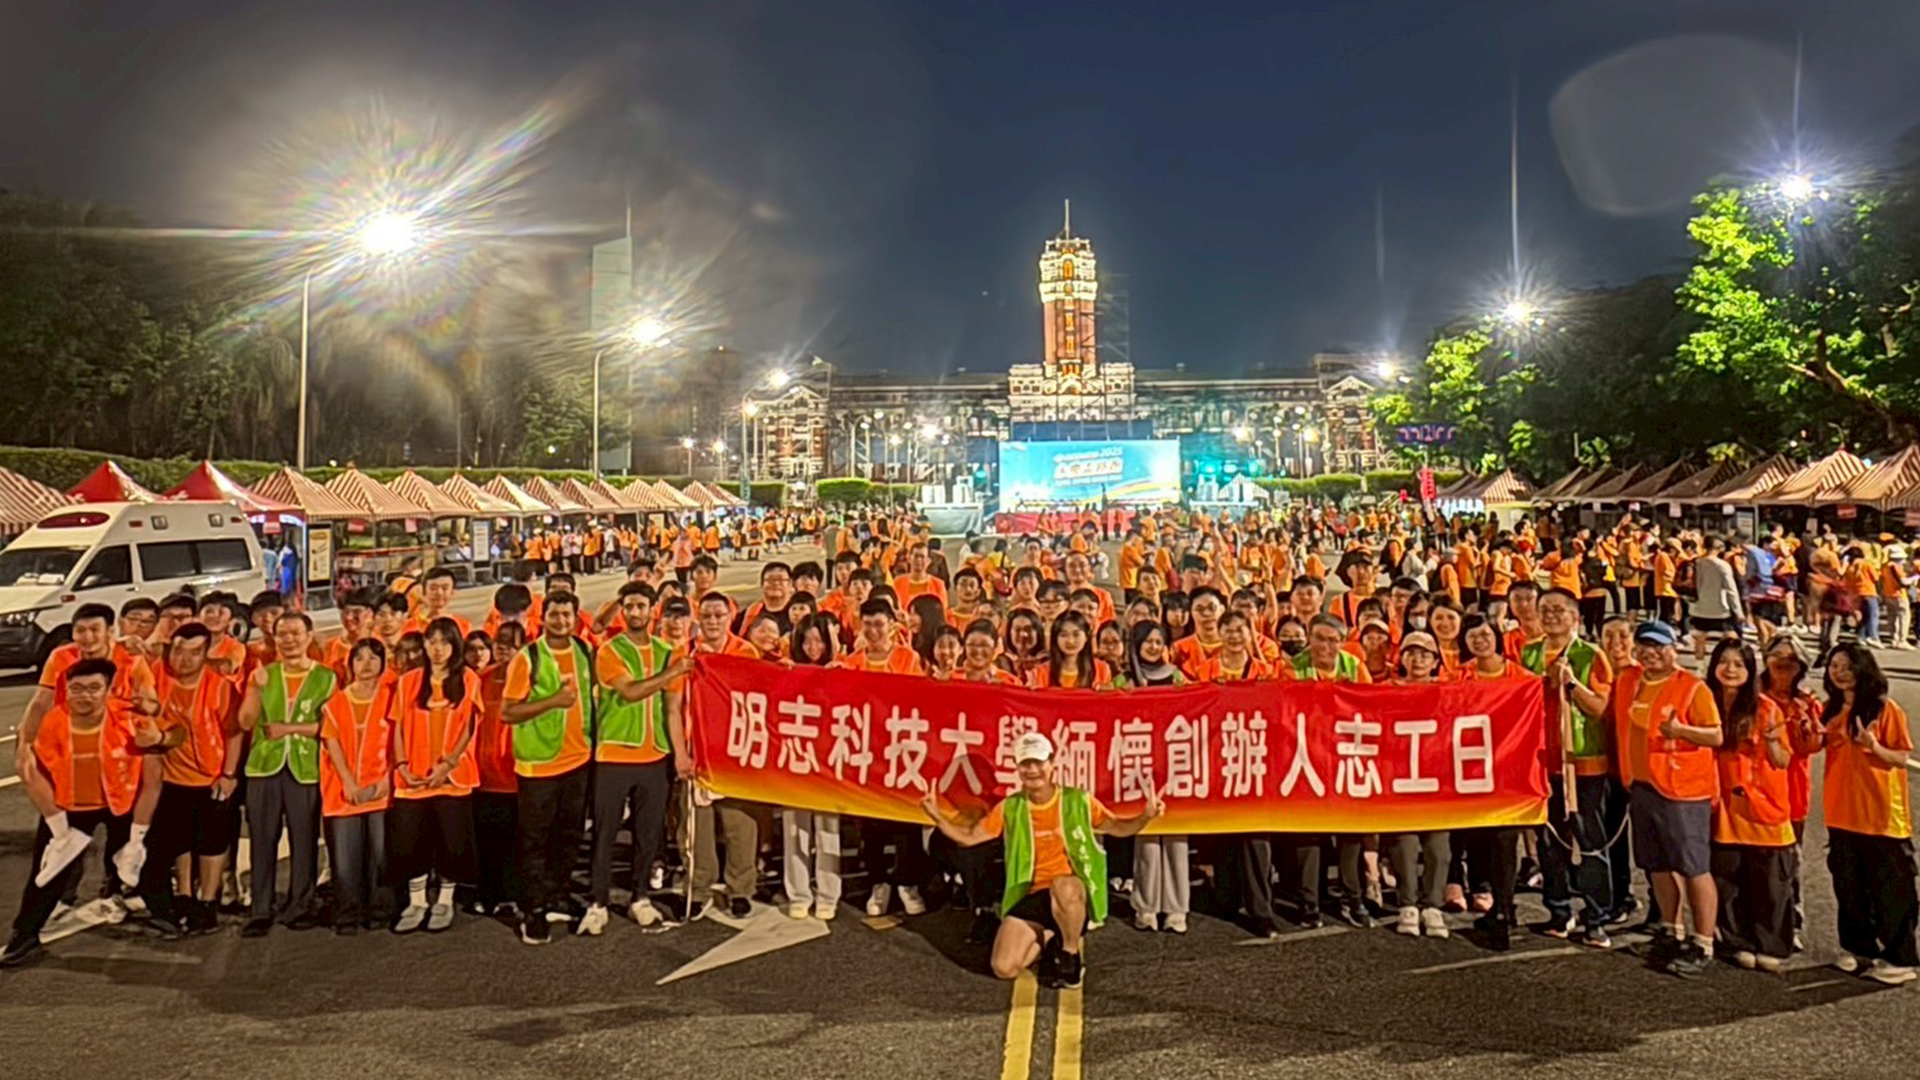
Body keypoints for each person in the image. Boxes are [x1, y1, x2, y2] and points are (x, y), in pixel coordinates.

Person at [922, 732, 1164, 988]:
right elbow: (970, 837)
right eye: (1026, 763)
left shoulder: (1077, 800)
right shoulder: (1010, 807)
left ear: (1052, 764)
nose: (1033, 769)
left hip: (1070, 894)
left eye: (1039, 762)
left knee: (1063, 885)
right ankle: (1051, 937)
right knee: (1004, 967)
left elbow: (1118, 828)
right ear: (1017, 768)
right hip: (1029, 892)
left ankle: (1070, 953)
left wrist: (1145, 817)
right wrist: (937, 816)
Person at [3, 659, 158, 967]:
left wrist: (159, 737)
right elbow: (35, 773)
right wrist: (58, 824)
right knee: (46, 873)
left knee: (142, 860)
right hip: (70, 807)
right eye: (76, 689)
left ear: (108, 690)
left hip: (119, 804)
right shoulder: (53, 722)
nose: (84, 696)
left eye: (93, 688)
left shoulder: (129, 717)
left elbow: (158, 765)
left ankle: (166, 914)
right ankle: (25, 937)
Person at [1610, 620, 1723, 978]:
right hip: (1643, 786)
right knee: (1656, 864)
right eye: (1644, 646)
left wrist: (1682, 731)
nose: (1650, 653)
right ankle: (1670, 930)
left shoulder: (1691, 688)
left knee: (1693, 867)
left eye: (1658, 646)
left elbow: (1716, 735)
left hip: (1683, 791)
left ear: (1673, 648)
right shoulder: (1631, 680)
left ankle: (1703, 941)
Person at [583, 583, 693, 935]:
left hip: (654, 755)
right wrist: (671, 674)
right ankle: (598, 901)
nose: (634, 612)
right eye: (628, 606)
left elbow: (672, 710)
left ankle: (640, 896)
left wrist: (680, 755)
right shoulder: (610, 650)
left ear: (652, 610)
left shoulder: (667, 651)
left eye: (641, 606)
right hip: (614, 753)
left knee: (648, 833)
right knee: (606, 832)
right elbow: (630, 692)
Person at [1813, 643, 1917, 984]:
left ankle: (1899, 958)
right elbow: (1813, 744)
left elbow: (1902, 757)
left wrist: (1874, 747)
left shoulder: (1884, 709)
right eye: (1834, 666)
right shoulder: (1829, 709)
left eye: (1847, 666)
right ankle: (1861, 950)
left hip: (1882, 815)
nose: (1839, 673)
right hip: (1842, 813)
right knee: (1849, 888)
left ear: (1863, 669)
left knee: (1891, 889)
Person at [1521, 589, 1618, 946]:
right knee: (1549, 840)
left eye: (1559, 610)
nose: (1551, 616)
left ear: (1575, 616)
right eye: (1545, 610)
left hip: (1584, 762)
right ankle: (1559, 910)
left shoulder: (1590, 655)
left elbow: (1598, 708)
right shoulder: (1529, 652)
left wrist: (1570, 684)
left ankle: (1597, 916)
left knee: (1590, 840)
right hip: (1542, 762)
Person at [501, 592, 595, 944]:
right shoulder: (529, 658)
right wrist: (553, 701)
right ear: (543, 618)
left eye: (566, 615)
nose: (560, 621)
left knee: (568, 836)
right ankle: (534, 909)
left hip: (578, 759)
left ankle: (558, 895)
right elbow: (508, 712)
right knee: (534, 841)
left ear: (575, 617)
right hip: (539, 765)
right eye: (554, 615)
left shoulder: (584, 652)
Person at [139, 623, 244, 937]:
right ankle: (184, 897)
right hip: (172, 777)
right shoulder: (158, 676)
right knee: (179, 842)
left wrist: (228, 775)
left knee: (211, 844)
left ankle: (207, 904)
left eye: (194, 652)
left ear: (205, 654)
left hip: (211, 778)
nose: (184, 659)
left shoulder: (219, 685)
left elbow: (233, 732)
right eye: (179, 651)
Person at [236, 612, 336, 936]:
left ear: (309, 636)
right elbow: (246, 722)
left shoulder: (326, 677)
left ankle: (300, 904)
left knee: (304, 839)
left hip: (305, 768)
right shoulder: (264, 674)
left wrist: (291, 729)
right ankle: (260, 909)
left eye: (295, 633)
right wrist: (255, 689)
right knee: (262, 839)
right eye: (282, 634)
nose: (289, 640)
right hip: (264, 766)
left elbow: (331, 726)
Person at [387, 618, 482, 935]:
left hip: (452, 778)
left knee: (450, 842)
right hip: (413, 777)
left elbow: (469, 727)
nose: (437, 648)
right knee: (411, 841)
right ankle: (416, 903)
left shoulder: (468, 679)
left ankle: (444, 899)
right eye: (431, 641)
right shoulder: (409, 681)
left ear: (455, 645)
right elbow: (397, 725)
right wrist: (401, 765)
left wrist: (448, 764)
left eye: (444, 641)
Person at [1704, 640, 1795, 973]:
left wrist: (1771, 741)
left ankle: (1772, 945)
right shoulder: (1706, 701)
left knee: (1770, 883)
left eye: (1738, 664)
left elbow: (1784, 759)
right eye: (1724, 662)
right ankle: (1736, 940)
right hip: (1723, 805)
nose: (1730, 669)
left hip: (1763, 806)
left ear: (1750, 670)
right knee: (1729, 879)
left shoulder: (1766, 707)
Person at [319, 639, 394, 934]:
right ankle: (348, 912)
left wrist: (386, 781)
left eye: (373, 658)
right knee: (345, 858)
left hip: (382, 788)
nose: (366, 665)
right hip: (344, 790)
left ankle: (381, 910)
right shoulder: (337, 702)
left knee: (381, 854)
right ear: (350, 664)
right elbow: (331, 742)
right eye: (359, 658)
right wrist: (348, 782)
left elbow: (400, 741)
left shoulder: (392, 697)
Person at [1386, 631, 1451, 939]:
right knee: (1405, 844)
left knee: (1439, 848)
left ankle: (1433, 904)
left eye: (1426, 654)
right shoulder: (1385, 690)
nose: (1418, 659)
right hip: (1400, 779)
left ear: (1436, 661)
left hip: (1438, 781)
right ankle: (1407, 904)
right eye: (1411, 653)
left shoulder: (1449, 692)